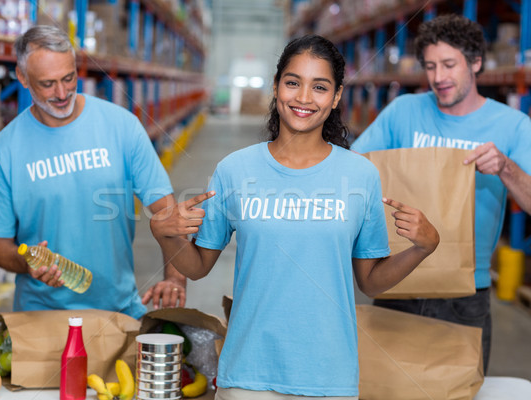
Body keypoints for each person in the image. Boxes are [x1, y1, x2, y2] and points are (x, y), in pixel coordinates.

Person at [150, 35, 439, 399]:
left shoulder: (360, 175)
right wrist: (163, 233)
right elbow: (198, 266)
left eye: (319, 87)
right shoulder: (235, 170)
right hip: (248, 374)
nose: (303, 98)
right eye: (292, 82)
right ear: (276, 87)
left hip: (328, 375)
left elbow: (370, 282)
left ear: (335, 98)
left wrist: (422, 248)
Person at [351, 14, 531, 374]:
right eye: (430, 66)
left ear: (476, 63)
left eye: (449, 64)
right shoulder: (404, 110)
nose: (438, 78)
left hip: (465, 291)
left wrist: (506, 167)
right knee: (389, 387)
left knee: (460, 388)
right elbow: (355, 168)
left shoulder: (513, 125)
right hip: (398, 276)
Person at [0, 25, 187, 319]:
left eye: (69, 78)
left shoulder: (121, 126)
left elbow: (166, 210)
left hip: (117, 310)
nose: (61, 93)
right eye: (47, 84)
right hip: (41, 317)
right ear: (22, 78)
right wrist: (27, 264)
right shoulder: (6, 149)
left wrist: (175, 277)